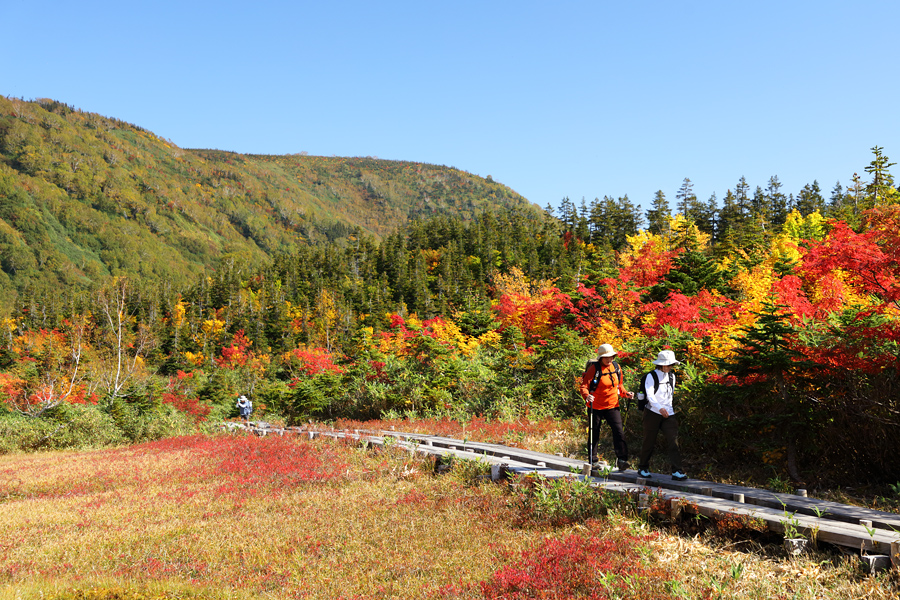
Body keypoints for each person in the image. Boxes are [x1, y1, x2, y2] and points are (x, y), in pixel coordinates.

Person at [580, 343, 634, 471]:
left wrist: (626, 394)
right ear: (600, 358)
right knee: (594, 434)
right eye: (607, 357)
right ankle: (593, 461)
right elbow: (584, 386)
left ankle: (622, 460)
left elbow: (619, 386)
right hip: (596, 406)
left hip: (612, 405)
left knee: (619, 432)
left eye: (612, 357)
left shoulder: (616, 367)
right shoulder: (594, 369)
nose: (610, 360)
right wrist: (587, 396)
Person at [637, 350, 688, 481]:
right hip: (652, 413)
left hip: (668, 414)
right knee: (649, 441)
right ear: (661, 364)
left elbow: (670, 396)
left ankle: (677, 471)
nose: (671, 367)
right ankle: (643, 467)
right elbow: (650, 395)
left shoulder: (672, 376)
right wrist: (660, 408)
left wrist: (668, 410)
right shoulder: (651, 376)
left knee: (673, 441)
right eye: (669, 364)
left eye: (672, 364)